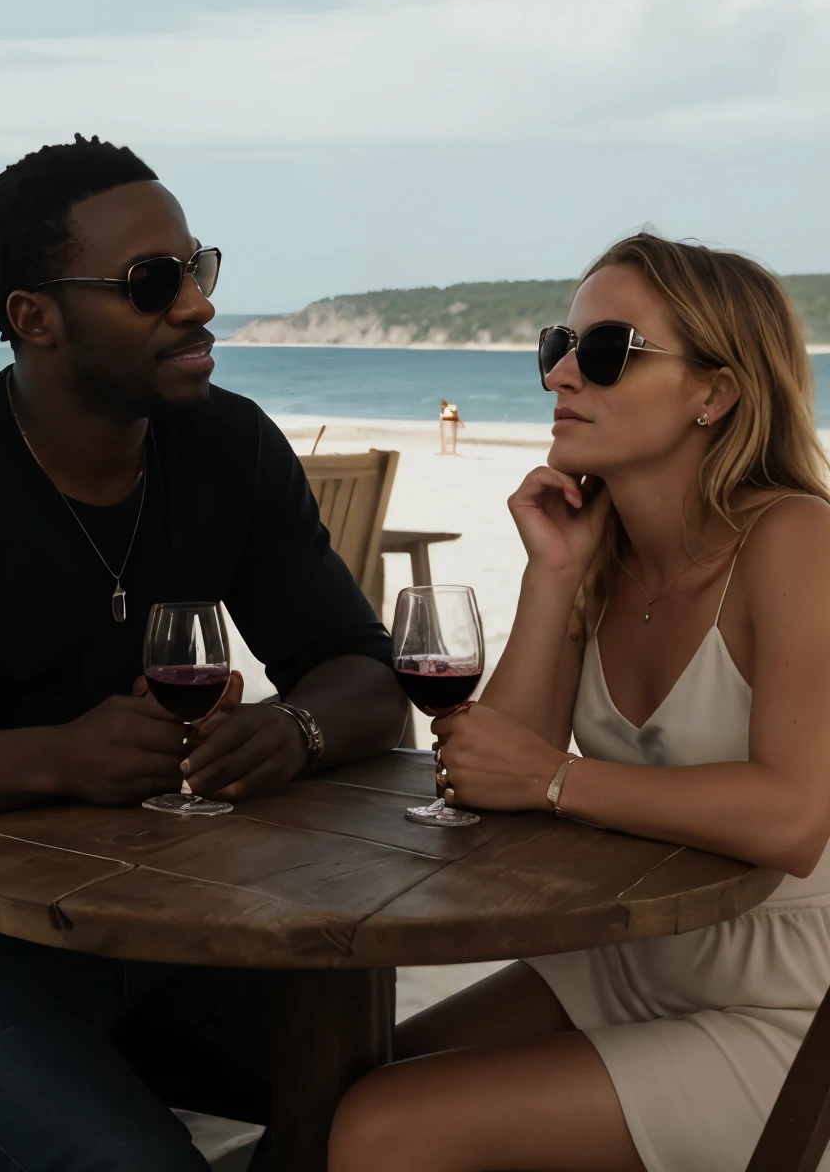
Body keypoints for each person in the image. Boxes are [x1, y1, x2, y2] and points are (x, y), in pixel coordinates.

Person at [0, 134, 408, 1172]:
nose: (196, 304)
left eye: (198, 268)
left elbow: (363, 676)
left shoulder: (228, 447)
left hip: (166, 914)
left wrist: (292, 730)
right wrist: (53, 759)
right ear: (34, 316)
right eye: (152, 282)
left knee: (382, 1118)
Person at [329, 232, 830, 1172]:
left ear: (715, 393)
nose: (561, 372)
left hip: (785, 1001)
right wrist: (553, 575)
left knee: (384, 1128)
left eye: (605, 351)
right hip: (629, 961)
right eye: (557, 344)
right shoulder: (602, 555)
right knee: (344, 1087)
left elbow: (795, 815)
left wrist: (559, 779)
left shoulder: (797, 540)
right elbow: (489, 777)